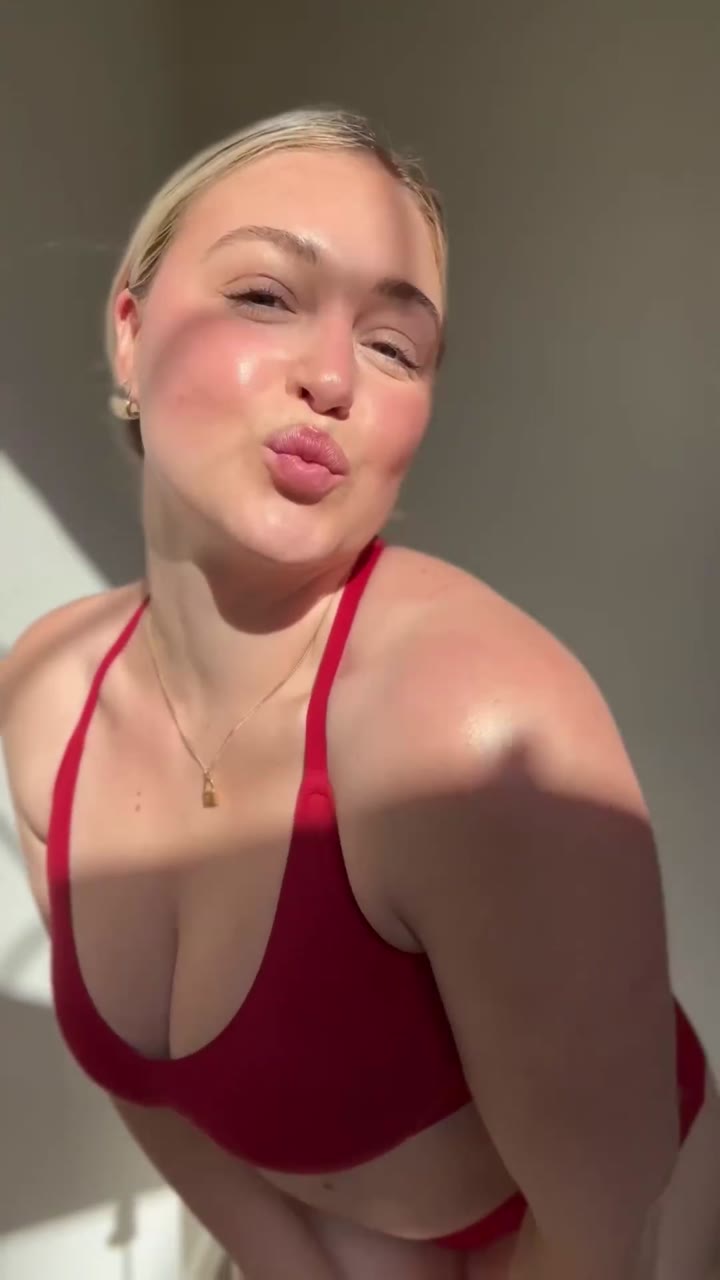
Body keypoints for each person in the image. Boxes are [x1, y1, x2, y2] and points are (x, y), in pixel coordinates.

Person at [0, 106, 713, 1280]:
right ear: (129, 333)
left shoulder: (476, 735)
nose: (332, 378)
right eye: (265, 295)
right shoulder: (44, 699)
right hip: (347, 1229)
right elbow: (159, 1096)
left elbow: (606, 1227)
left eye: (393, 347)